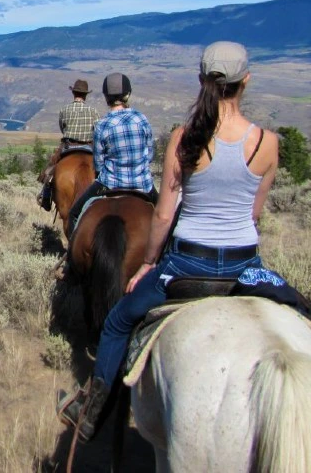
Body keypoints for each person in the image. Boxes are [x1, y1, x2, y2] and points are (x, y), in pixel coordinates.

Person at [56, 41, 279, 442]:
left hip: (189, 261)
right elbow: (253, 216)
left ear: (200, 80)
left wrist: (147, 263)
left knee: (117, 321)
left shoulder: (185, 137)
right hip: (245, 264)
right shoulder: (268, 143)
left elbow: (162, 214)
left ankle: (90, 412)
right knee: (299, 310)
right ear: (246, 80)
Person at [65, 73, 157, 237]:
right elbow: (150, 155)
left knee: (74, 214)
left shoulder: (102, 125)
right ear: (127, 94)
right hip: (143, 184)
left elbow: (99, 163)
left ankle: (72, 252)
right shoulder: (142, 119)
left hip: (110, 184)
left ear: (106, 97)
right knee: (168, 219)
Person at [38, 79, 99, 211]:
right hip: (88, 147)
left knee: (50, 172)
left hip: (68, 146)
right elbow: (97, 131)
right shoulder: (93, 111)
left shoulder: (64, 110)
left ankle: (45, 198)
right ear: (85, 95)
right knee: (102, 173)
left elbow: (62, 128)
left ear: (73, 93)